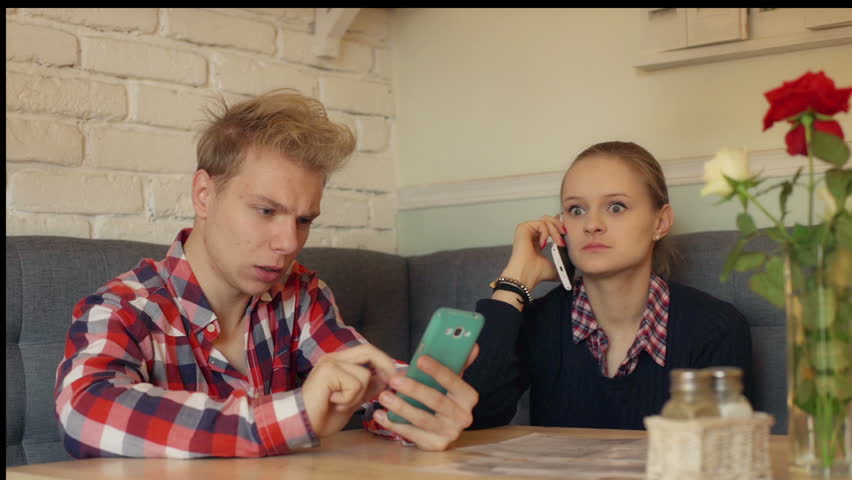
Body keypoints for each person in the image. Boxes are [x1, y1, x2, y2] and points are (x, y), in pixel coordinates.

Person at [54, 89, 479, 458]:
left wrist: (417, 405)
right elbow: (84, 411)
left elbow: (369, 385)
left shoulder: (302, 296)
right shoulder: (122, 308)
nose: (289, 243)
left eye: (304, 220)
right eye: (266, 210)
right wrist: (286, 420)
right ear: (204, 194)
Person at [464, 141, 752, 430]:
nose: (592, 224)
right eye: (576, 210)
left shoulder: (717, 328)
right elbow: (471, 416)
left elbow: (724, 456)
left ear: (660, 222)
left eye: (616, 207)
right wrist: (516, 280)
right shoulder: (541, 321)